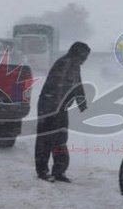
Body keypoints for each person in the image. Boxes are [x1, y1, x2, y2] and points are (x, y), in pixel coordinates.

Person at [35, 42, 90, 183]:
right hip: (49, 107)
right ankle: (42, 172)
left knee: (60, 139)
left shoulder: (74, 65)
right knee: (46, 140)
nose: (85, 60)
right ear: (78, 53)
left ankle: (59, 171)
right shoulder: (64, 63)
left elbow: (78, 85)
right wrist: (54, 111)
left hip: (60, 108)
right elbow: (58, 87)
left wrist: (81, 103)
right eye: (84, 56)